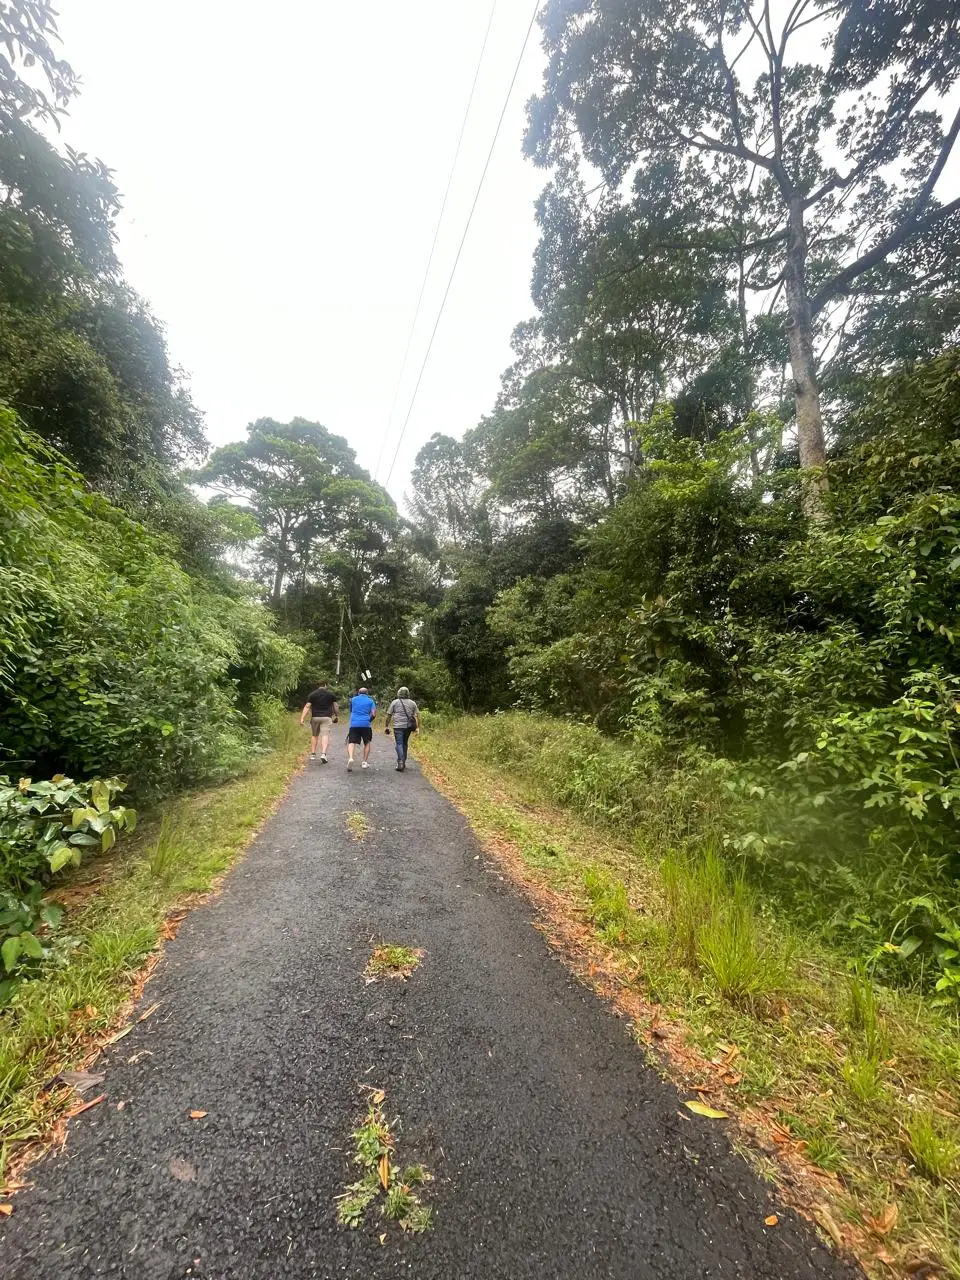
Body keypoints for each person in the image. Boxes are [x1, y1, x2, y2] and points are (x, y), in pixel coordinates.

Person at [299, 680, 339, 762]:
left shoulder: (312, 694)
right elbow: (335, 706)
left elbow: (307, 706)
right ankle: (323, 754)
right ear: (325, 685)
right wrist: (336, 715)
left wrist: (302, 718)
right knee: (325, 735)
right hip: (326, 718)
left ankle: (313, 754)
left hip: (315, 717)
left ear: (318, 685)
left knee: (314, 735)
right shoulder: (331, 694)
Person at [384, 686, 420, 772]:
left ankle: (400, 761)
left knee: (399, 743)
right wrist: (417, 727)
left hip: (398, 726)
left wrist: (387, 726)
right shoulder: (412, 703)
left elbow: (389, 715)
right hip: (408, 727)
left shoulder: (394, 702)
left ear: (399, 693)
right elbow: (417, 716)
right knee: (405, 743)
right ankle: (403, 761)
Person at [346, 686, 377, 771]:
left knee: (351, 742)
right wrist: (369, 720)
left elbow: (351, 710)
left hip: (354, 724)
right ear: (367, 693)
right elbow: (374, 714)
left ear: (358, 693)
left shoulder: (353, 700)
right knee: (367, 742)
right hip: (366, 724)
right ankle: (364, 762)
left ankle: (351, 758)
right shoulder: (370, 701)